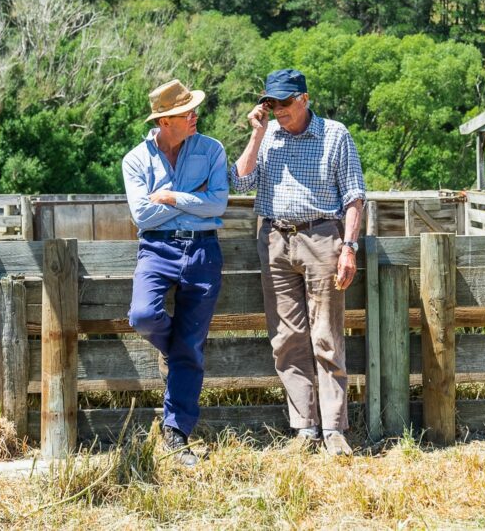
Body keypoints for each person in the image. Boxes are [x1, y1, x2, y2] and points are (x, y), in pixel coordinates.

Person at [230, 68, 366, 456]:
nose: (278, 110)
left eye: (285, 103)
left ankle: (334, 428)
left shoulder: (334, 134)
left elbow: (354, 197)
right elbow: (239, 182)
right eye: (270, 103)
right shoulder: (267, 134)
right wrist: (257, 132)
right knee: (286, 338)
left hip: (322, 236)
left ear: (305, 99)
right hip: (274, 238)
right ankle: (304, 427)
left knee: (325, 335)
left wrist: (349, 246)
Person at [122, 78, 229, 467]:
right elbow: (142, 215)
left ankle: (175, 432)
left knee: (190, 345)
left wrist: (170, 197)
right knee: (144, 316)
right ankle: (181, 351)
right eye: (187, 113)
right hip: (157, 249)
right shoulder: (135, 159)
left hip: (203, 250)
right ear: (166, 121)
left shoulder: (212, 149)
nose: (195, 116)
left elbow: (218, 203)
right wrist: (193, 201)